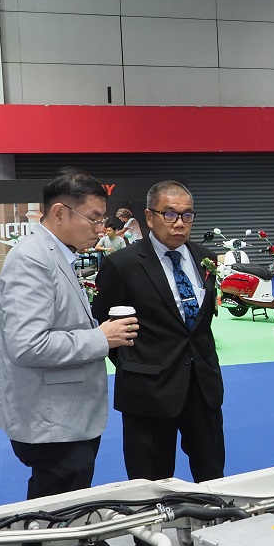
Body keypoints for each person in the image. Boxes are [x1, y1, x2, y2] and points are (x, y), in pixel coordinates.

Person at [0, 169, 140, 499]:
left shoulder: (57, 254)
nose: (100, 229)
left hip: (65, 416)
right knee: (56, 509)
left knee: (65, 501)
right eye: (93, 219)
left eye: (102, 220)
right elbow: (28, 345)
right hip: (51, 421)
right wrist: (102, 337)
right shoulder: (31, 259)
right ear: (59, 213)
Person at [92, 181, 225, 482]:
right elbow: (103, 324)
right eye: (170, 214)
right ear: (149, 217)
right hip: (148, 393)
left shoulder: (206, 258)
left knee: (213, 476)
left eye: (187, 215)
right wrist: (136, 364)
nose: (179, 223)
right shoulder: (122, 265)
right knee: (150, 484)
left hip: (203, 389)